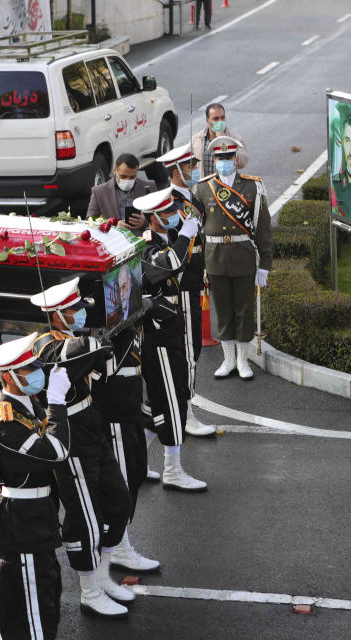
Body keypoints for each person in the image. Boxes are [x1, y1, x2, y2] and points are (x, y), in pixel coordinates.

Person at [30, 278, 134, 619]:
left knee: (117, 500)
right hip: (67, 431)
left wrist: (126, 327)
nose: (79, 314)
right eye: (73, 310)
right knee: (84, 514)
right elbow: (68, 357)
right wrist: (97, 339)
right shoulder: (44, 343)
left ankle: (102, 576)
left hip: (90, 419)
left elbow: (105, 369)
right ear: (56, 314)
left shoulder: (77, 338)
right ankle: (89, 591)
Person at [0, 333, 71, 640]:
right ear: (8, 377)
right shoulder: (5, 422)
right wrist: (57, 402)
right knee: (32, 613)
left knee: (44, 600)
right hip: (21, 521)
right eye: (30, 369)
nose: (38, 373)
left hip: (34, 514)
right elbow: (57, 451)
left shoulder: (28, 405)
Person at [133, 186, 208, 491]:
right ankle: (172, 469)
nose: (174, 216)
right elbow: (170, 265)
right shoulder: (148, 245)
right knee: (171, 400)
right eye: (167, 213)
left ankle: (137, 464)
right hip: (158, 337)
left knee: (166, 400)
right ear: (154, 218)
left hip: (171, 330)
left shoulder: (165, 239)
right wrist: (186, 235)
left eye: (174, 210)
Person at [195, 136, 273, 380]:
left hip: (243, 257)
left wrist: (265, 266)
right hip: (215, 258)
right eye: (219, 158)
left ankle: (243, 360)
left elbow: (263, 229)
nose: (223, 162)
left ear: (236, 160)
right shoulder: (203, 188)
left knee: (244, 310)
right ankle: (228, 360)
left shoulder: (252, 187)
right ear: (214, 160)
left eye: (228, 158)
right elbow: (196, 230)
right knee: (223, 310)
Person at [155, 144, 216, 438]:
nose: (195, 170)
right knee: (189, 352)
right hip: (182, 287)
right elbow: (176, 250)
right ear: (177, 171)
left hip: (194, 282)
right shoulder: (171, 203)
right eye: (190, 166)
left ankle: (183, 407)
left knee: (193, 350)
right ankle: (185, 411)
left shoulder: (188, 198)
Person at [89, 322, 160, 573]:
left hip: (131, 415)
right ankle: (118, 546)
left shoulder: (128, 333)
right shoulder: (103, 339)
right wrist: (116, 335)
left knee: (138, 473)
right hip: (114, 421)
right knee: (122, 485)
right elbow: (104, 373)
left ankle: (119, 541)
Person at [86, 153, 156, 231]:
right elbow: (90, 221)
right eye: (123, 176)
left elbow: (160, 216)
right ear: (115, 170)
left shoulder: (149, 186)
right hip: (115, 240)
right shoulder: (99, 192)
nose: (128, 180)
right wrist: (113, 226)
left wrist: (145, 221)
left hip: (144, 239)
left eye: (132, 177)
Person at [191, 103, 249, 177]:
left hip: (224, 187)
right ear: (207, 120)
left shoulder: (235, 139)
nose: (220, 121)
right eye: (215, 119)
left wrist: (224, 141)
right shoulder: (196, 139)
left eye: (222, 118)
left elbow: (243, 163)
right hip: (204, 186)